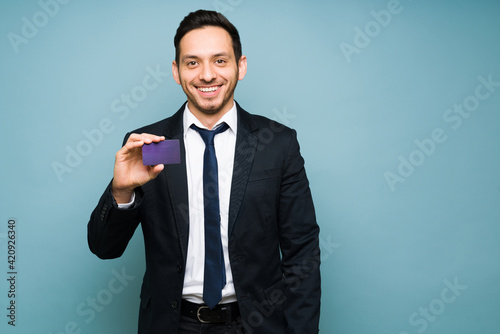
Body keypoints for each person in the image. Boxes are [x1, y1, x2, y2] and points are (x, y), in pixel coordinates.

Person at [87, 9, 320, 334]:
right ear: (176, 71)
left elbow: (302, 253)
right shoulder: (149, 146)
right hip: (173, 325)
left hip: (256, 324)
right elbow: (104, 249)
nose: (207, 75)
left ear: (241, 67)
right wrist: (121, 192)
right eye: (192, 62)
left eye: (220, 61)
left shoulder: (277, 144)